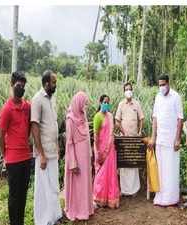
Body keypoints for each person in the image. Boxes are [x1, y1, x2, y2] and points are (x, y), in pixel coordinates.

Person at [0, 71, 32, 225]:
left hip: (26, 157)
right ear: (12, 85)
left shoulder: (27, 107)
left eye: (23, 86)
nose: (21, 88)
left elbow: (29, 128)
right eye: (19, 85)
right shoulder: (6, 109)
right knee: (14, 196)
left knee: (23, 195)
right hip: (13, 160)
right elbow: (0, 136)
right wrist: (5, 157)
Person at [31, 70, 62, 225]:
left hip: (52, 151)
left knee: (53, 185)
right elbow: (35, 127)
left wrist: (56, 145)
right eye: (54, 82)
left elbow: (53, 124)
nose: (55, 85)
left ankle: (54, 216)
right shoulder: (37, 99)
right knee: (43, 188)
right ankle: (43, 220)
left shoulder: (52, 99)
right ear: (46, 83)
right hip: (43, 154)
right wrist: (41, 154)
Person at [149, 74, 184, 206]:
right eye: (160, 85)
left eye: (163, 84)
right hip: (160, 140)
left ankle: (171, 198)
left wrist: (177, 139)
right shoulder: (158, 97)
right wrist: (153, 137)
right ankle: (160, 196)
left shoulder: (176, 97)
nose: (162, 87)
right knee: (161, 169)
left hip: (171, 140)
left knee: (171, 168)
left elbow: (180, 119)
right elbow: (155, 118)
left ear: (169, 83)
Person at [64, 91, 94, 221]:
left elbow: (87, 135)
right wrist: (73, 162)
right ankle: (77, 210)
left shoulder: (83, 116)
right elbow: (69, 143)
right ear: (78, 103)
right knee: (77, 184)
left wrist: (90, 153)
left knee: (85, 183)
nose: (85, 107)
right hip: (76, 157)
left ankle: (86, 208)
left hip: (85, 156)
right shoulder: (70, 119)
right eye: (84, 104)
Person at [115, 82, 145, 196]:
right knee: (124, 164)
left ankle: (134, 190)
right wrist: (123, 132)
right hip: (124, 138)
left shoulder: (136, 104)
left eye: (130, 89)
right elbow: (117, 121)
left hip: (134, 138)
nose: (128, 91)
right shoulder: (121, 104)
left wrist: (139, 131)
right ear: (124, 92)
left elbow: (141, 119)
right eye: (126, 89)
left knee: (133, 163)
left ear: (132, 91)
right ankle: (124, 190)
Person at [93, 94, 120, 208]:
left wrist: (108, 147)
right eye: (104, 102)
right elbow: (95, 136)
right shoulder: (97, 117)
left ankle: (110, 199)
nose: (106, 104)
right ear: (100, 103)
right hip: (101, 149)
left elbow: (111, 133)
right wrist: (98, 152)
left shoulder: (110, 116)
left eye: (108, 102)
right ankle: (99, 198)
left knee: (110, 174)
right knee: (101, 175)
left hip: (110, 150)